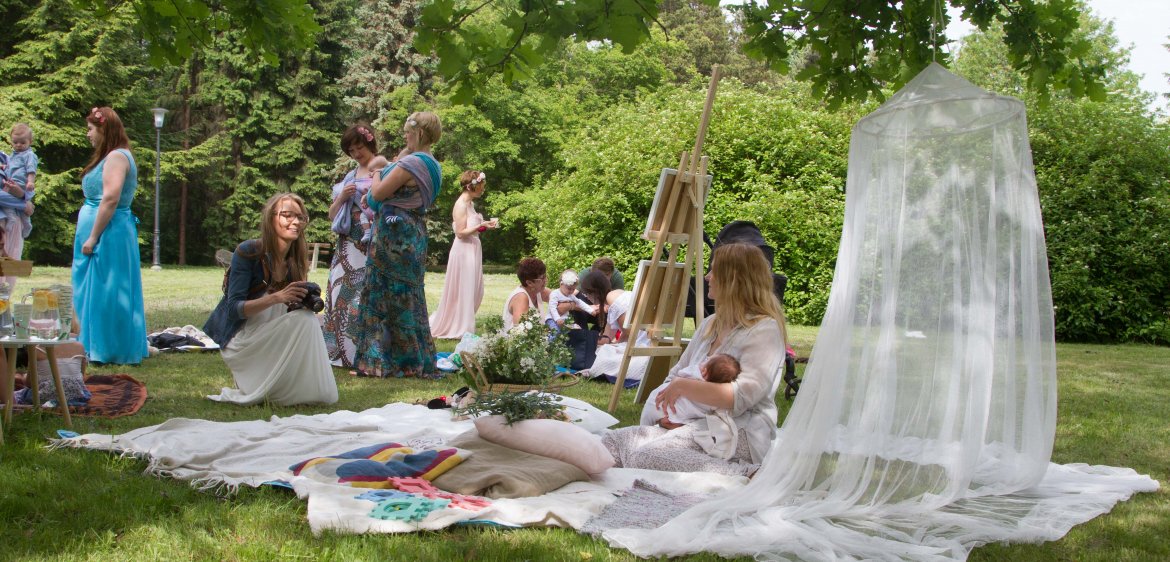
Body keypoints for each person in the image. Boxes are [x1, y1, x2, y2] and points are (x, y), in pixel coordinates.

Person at [601, 243, 788, 477]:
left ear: (733, 280)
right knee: (611, 443)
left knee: (648, 455)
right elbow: (676, 373)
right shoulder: (710, 324)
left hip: (735, 430)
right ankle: (657, 465)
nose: (708, 277)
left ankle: (746, 474)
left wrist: (683, 388)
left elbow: (742, 396)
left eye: (714, 271)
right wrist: (665, 413)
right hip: (690, 422)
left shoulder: (763, 330)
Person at [203, 193, 338, 406]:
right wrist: (277, 297)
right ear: (271, 218)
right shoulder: (249, 251)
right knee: (305, 322)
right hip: (240, 337)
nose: (295, 222)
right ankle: (259, 380)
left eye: (300, 217)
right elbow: (234, 309)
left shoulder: (295, 259)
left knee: (306, 319)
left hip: (270, 330)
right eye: (287, 215)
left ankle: (291, 387)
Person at [349, 112, 443, 378]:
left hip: (393, 233)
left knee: (382, 292)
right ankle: (412, 360)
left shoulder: (412, 163)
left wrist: (377, 171)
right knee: (407, 296)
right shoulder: (433, 165)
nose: (405, 136)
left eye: (407, 132)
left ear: (420, 134)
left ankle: (379, 361)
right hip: (413, 232)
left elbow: (377, 193)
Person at [72, 107, 148, 365]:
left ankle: (107, 348)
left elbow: (111, 198)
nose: (88, 134)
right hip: (104, 230)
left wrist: (93, 237)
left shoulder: (117, 157)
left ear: (104, 129)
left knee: (107, 290)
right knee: (95, 288)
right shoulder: (111, 156)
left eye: (91, 129)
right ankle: (89, 342)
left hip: (109, 233)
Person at [322, 124, 389, 368]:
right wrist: (342, 197)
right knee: (340, 294)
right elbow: (332, 215)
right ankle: (338, 354)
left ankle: (366, 353)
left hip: (372, 241)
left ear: (370, 144)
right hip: (347, 243)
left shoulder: (383, 169)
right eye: (351, 150)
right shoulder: (349, 176)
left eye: (359, 147)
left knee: (364, 295)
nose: (356, 154)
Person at [428, 169, 499, 338]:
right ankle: (461, 327)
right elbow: (460, 233)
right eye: (481, 185)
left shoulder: (470, 204)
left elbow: (472, 229)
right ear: (471, 186)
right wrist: (480, 226)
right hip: (463, 250)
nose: (483, 189)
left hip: (473, 248)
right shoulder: (460, 205)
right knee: (465, 289)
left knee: (475, 289)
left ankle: (462, 322)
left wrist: (485, 225)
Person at [654, 353, 740, 429]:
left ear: (704, 371)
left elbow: (680, 373)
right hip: (681, 419)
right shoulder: (715, 402)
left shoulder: (694, 373)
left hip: (665, 405)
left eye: (706, 360)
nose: (702, 362)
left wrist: (680, 383)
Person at [583, 287, 652, 382]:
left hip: (640, 345)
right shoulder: (625, 294)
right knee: (607, 349)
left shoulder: (612, 297)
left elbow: (629, 332)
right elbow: (611, 337)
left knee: (604, 352)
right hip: (649, 341)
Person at [1, 123, 37, 288]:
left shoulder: (7, 157)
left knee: (12, 264)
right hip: (6, 219)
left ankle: (5, 308)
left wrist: (23, 196)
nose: (18, 145)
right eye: (15, 142)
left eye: (22, 142)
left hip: (12, 221)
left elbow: (26, 188)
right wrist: (23, 204)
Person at [501, 257, 551, 332]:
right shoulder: (521, 297)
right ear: (529, 283)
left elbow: (560, 296)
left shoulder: (538, 290)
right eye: (542, 278)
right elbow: (521, 332)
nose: (545, 280)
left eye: (545, 276)